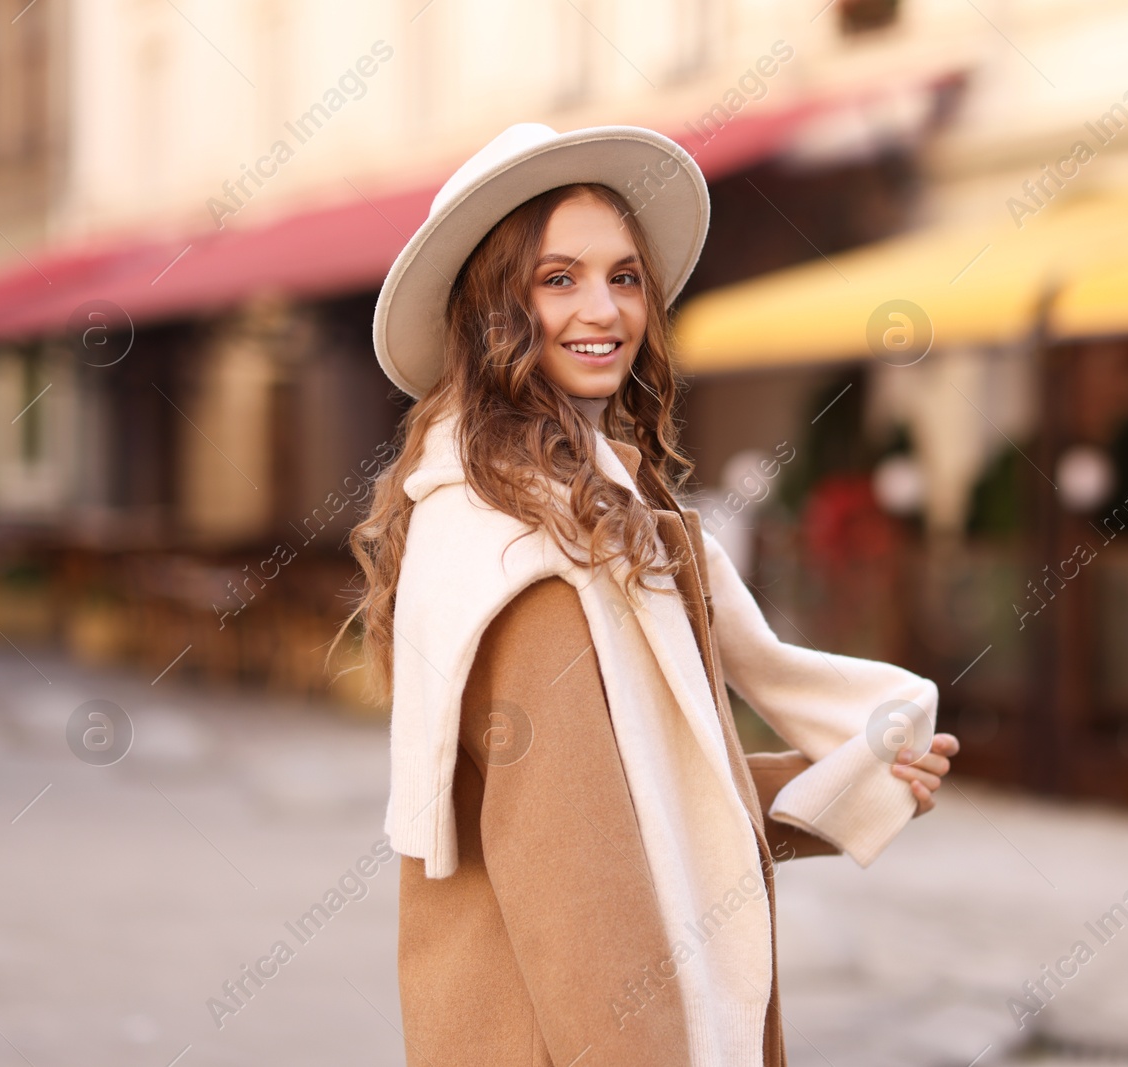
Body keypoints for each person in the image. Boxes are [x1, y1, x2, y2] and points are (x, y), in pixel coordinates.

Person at [337, 122, 959, 1067]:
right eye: (558, 279)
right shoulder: (522, 557)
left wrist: (832, 784)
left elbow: (638, 799)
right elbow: (584, 896)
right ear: (490, 313)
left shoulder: (576, 516)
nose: (606, 309)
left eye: (625, 276)